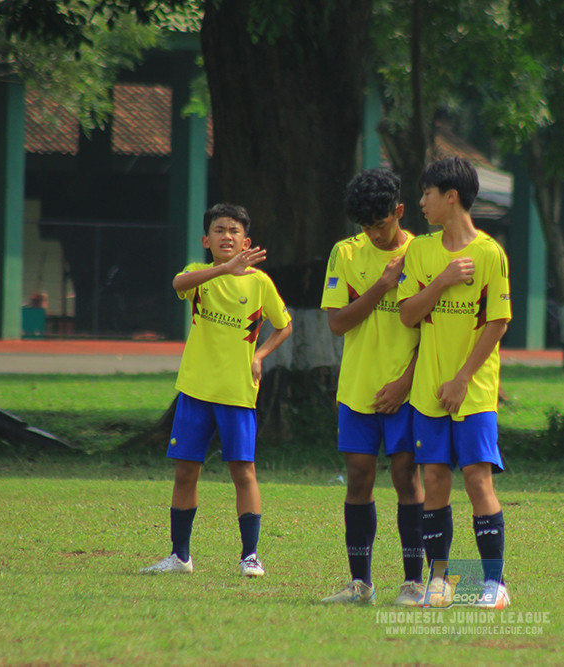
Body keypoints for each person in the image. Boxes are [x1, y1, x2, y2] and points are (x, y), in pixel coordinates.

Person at [140, 203, 293, 577]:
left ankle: (250, 556)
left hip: (237, 392)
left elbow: (284, 326)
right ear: (206, 240)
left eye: (234, 231)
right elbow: (178, 284)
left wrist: (261, 354)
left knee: (244, 471)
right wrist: (224, 269)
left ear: (247, 240)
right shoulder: (198, 274)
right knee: (185, 472)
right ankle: (179, 556)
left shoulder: (259, 283)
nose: (227, 236)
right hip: (195, 391)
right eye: (220, 230)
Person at [397, 156, 512, 609]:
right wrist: (442, 281)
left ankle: (494, 584)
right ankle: (440, 581)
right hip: (428, 392)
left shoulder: (489, 253)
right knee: (436, 479)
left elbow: (497, 323)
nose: (421, 202)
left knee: (477, 478)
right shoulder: (421, 252)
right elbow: (408, 314)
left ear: (452, 197)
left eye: (427, 193)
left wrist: (463, 378)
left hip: (474, 391)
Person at [319, 168, 426, 606]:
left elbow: (438, 331)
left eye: (381, 225)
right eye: (366, 227)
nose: (374, 235)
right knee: (359, 477)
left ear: (398, 212)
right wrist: (381, 285)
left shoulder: (424, 253)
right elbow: (338, 322)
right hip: (358, 388)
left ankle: (413, 583)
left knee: (406, 477)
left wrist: (407, 381)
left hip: (407, 388)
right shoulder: (345, 254)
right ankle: (360, 584)